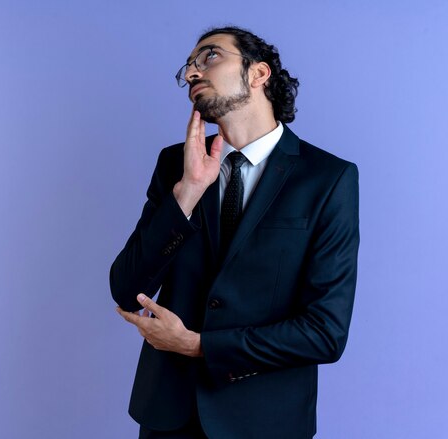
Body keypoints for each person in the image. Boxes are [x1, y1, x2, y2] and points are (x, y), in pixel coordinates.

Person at [111, 26, 359, 439]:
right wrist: (187, 194)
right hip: (169, 416)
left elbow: (325, 333)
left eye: (209, 56)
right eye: (188, 66)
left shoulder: (327, 179)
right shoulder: (176, 164)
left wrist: (198, 345)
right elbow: (125, 287)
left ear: (259, 74)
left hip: (265, 420)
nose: (192, 72)